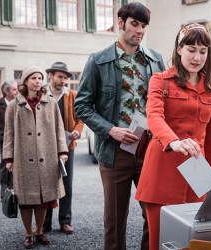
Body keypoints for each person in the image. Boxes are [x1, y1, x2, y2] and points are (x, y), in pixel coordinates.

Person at [74, 2, 165, 249]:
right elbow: (81, 106)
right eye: (135, 24)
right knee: (115, 222)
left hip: (149, 150)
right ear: (120, 22)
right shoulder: (98, 61)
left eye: (144, 26)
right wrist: (110, 130)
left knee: (155, 217)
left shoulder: (156, 60)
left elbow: (165, 102)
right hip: (115, 154)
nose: (140, 30)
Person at [135, 23, 211, 250]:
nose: (197, 56)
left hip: (198, 175)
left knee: (195, 241)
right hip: (162, 170)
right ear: (179, 49)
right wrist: (174, 141)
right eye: (191, 49)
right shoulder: (160, 80)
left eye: (203, 51)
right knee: (160, 241)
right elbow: (154, 116)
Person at [3, 66, 68, 249]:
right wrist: (9, 158)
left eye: (40, 78)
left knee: (42, 200)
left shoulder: (51, 102)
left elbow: (59, 129)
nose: (38, 81)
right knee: (25, 199)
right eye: (33, 78)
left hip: (47, 158)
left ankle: (39, 231)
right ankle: (28, 233)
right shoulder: (14, 105)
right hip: (23, 158)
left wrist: (62, 151)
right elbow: (8, 133)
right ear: (26, 81)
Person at [43, 62, 84, 234]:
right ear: (51, 76)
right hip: (44, 147)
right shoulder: (41, 94)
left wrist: (77, 131)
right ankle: (44, 223)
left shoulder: (72, 95)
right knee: (47, 184)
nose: (63, 81)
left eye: (66, 78)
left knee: (67, 184)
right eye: (60, 77)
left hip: (67, 146)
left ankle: (65, 220)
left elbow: (81, 119)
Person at [0, 80, 18, 199]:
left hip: (20, 141)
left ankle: (18, 191)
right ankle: (4, 193)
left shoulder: (19, 104)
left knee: (20, 167)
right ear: (6, 91)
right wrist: (0, 139)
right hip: (4, 142)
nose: (17, 92)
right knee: (5, 168)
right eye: (14, 89)